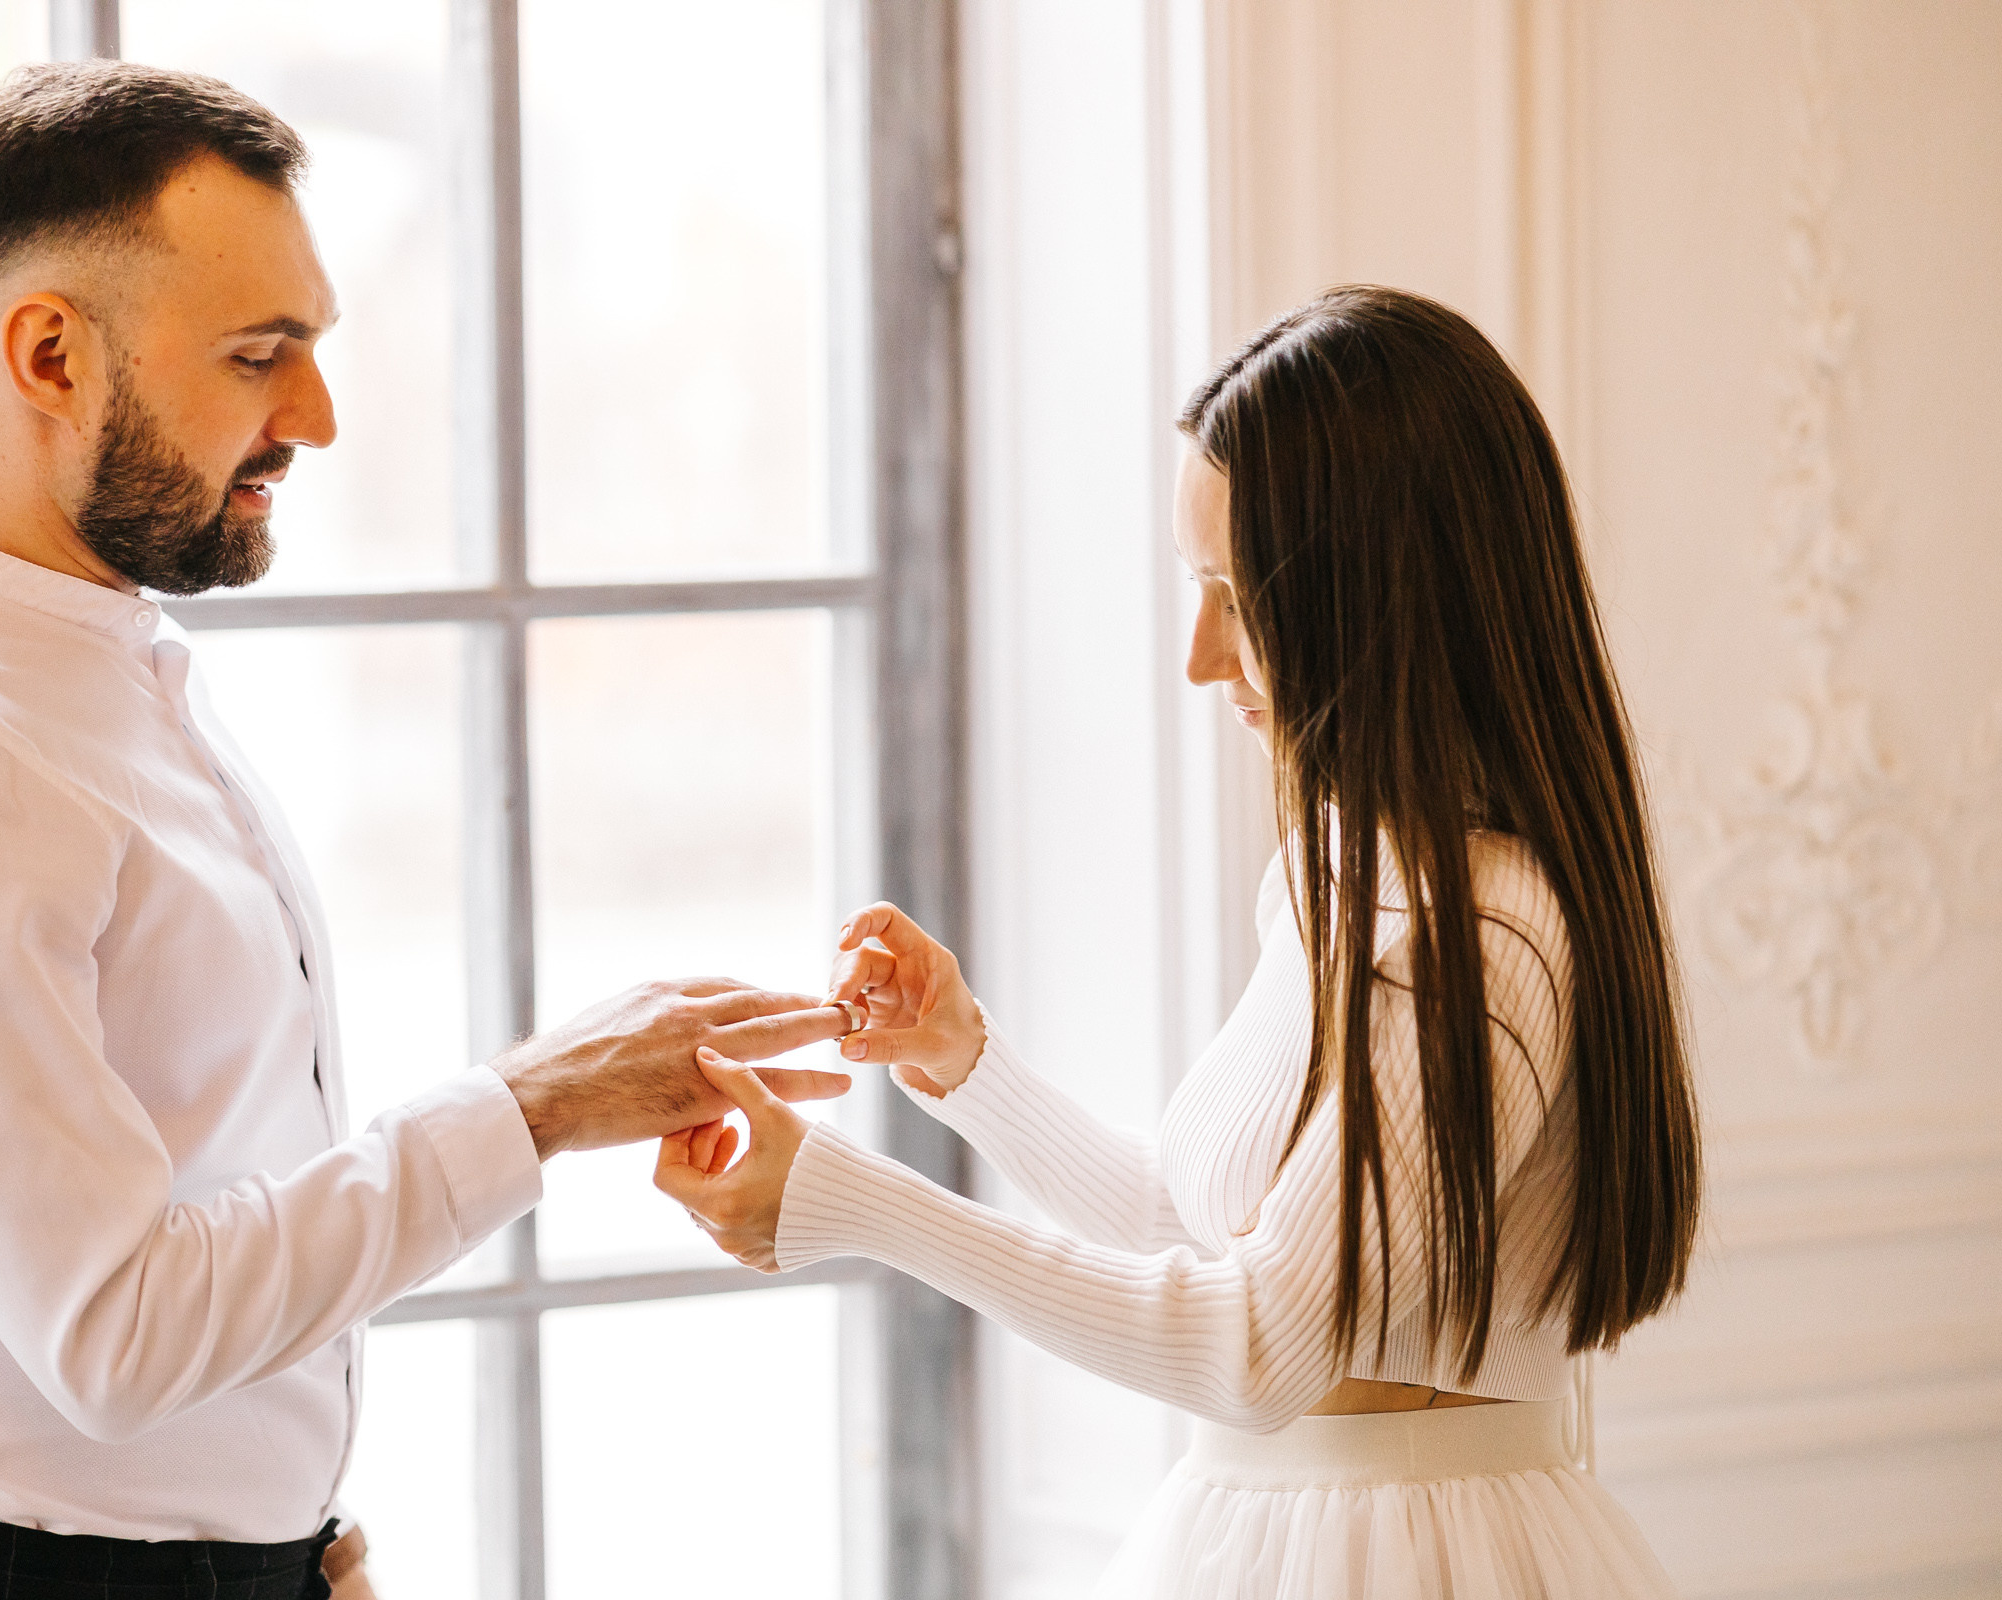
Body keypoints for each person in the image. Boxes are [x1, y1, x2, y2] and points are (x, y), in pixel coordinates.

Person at [0, 61, 852, 1600]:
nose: (314, 418)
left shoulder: (80, 664)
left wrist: (287, 1541)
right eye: (262, 356)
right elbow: (116, 1331)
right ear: (49, 355)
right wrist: (528, 1106)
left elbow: (206, 1175)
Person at [660, 286, 1702, 1597]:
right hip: (1283, 1532)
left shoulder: (1483, 938)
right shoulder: (1343, 882)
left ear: (1371, 598)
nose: (1206, 655)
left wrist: (851, 1204)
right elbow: (1208, 1236)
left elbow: (1257, 1348)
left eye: (1234, 591)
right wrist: (969, 1066)